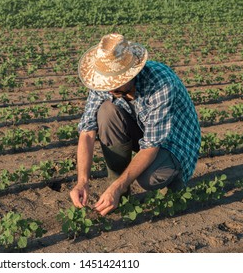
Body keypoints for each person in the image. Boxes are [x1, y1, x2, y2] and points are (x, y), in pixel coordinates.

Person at [69, 33, 201, 216]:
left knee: (149, 178)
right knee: (107, 112)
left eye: (115, 82)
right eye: (107, 83)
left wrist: (118, 186)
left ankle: (174, 179)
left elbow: (151, 146)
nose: (109, 88)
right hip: (143, 133)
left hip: (174, 141)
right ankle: (119, 190)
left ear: (132, 72)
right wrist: (82, 181)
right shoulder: (103, 82)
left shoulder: (161, 84)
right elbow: (87, 132)